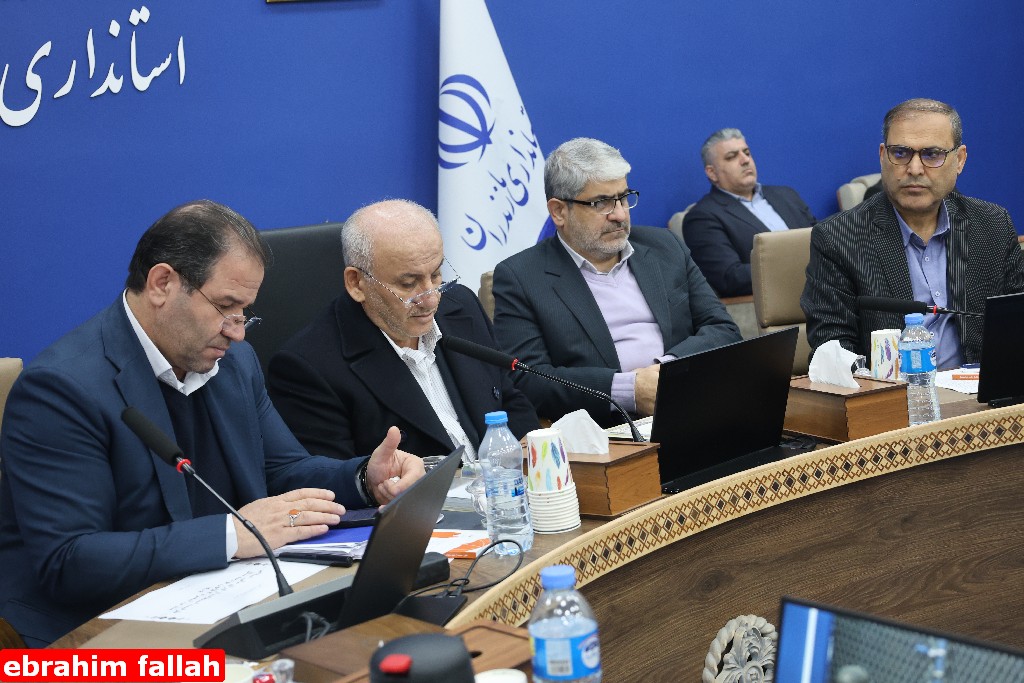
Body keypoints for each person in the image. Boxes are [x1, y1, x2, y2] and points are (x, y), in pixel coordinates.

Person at [0, 200, 424, 647]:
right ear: (162, 283)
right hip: (90, 634)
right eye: (225, 307)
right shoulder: (62, 388)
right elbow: (69, 561)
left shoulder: (234, 361)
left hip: (219, 599)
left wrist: (363, 477)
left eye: (245, 312)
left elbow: (282, 469)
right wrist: (232, 535)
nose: (237, 331)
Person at [492, 137, 741, 427]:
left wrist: (668, 372)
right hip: (607, 431)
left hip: (693, 404)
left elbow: (723, 330)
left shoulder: (665, 247)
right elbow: (527, 378)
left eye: (623, 197)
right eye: (601, 203)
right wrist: (628, 390)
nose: (620, 214)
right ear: (559, 211)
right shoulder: (522, 277)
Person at [267, 199, 538, 461]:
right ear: (357, 283)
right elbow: (334, 480)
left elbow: (509, 399)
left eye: (436, 275)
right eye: (409, 284)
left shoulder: (462, 308)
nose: (431, 299)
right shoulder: (309, 368)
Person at [801, 98, 1024, 368]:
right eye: (900, 153)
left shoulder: (992, 224)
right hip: (893, 392)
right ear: (882, 156)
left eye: (932, 154)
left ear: (959, 160)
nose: (915, 169)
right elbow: (832, 350)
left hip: (980, 390)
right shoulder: (838, 238)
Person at [683, 128, 816, 297]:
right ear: (712, 173)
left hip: (826, 289)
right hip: (779, 300)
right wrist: (799, 267)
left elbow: (822, 239)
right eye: (732, 157)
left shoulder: (786, 195)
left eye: (746, 153)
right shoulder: (702, 218)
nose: (745, 160)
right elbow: (730, 277)